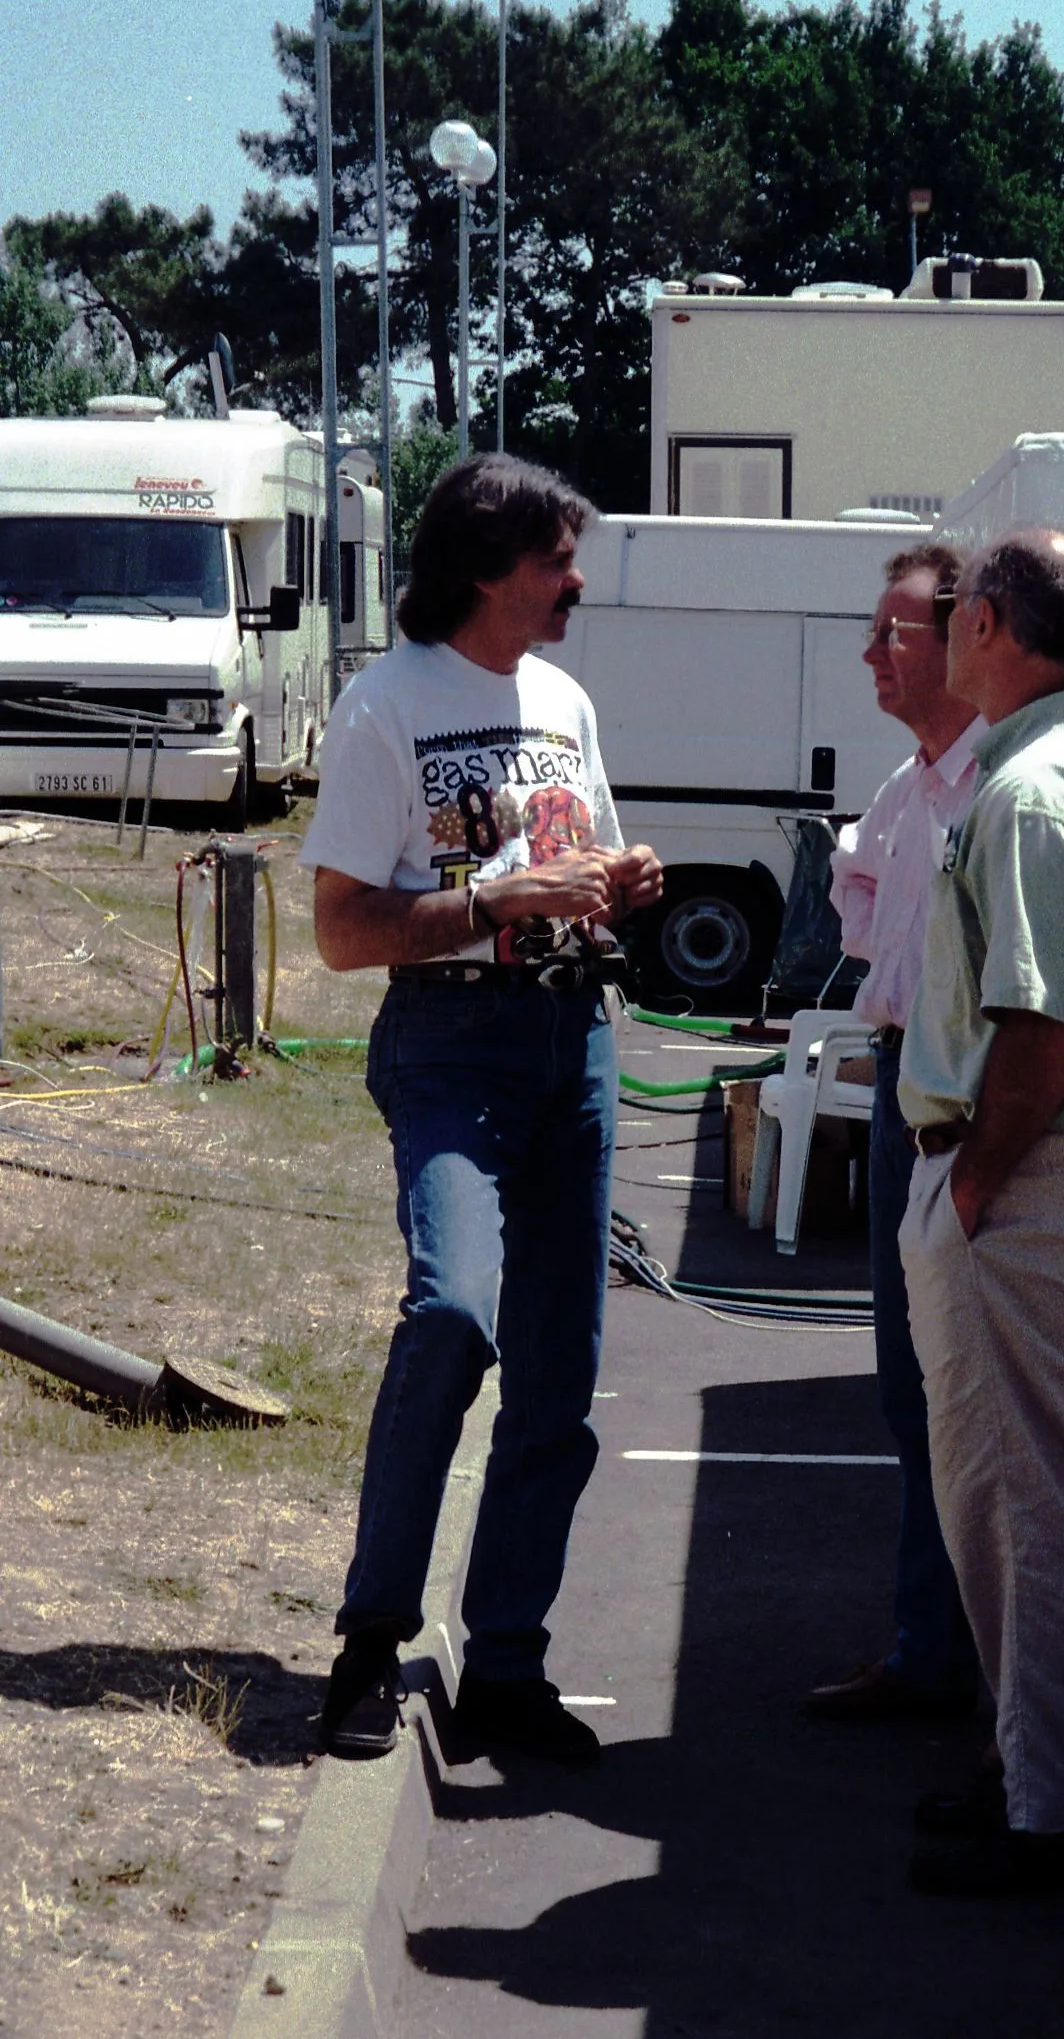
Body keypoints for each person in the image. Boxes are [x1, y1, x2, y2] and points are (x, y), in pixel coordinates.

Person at [300, 455, 662, 1764]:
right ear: (480, 570)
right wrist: (485, 908)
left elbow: (580, 869)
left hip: (571, 1049)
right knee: (454, 1314)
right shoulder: (384, 705)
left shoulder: (561, 697)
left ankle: (506, 1664)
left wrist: (618, 880)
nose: (574, 581)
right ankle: (368, 1639)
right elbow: (342, 934)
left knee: (557, 1373)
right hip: (449, 1047)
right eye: (554, 558)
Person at [895, 527, 1064, 1896]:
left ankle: (1051, 1814)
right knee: (1005, 1497)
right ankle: (1029, 1775)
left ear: (991, 622)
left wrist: (977, 1181)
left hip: (1018, 1175)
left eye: (951, 615)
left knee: (1030, 1508)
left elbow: (1040, 1024)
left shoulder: (1033, 790)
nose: (937, 635)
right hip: (1030, 1170)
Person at [806, 544, 983, 1721]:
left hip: (968, 1114)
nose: (873, 652)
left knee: (965, 1403)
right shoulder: (909, 785)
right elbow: (855, 900)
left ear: (965, 643)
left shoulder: (1001, 786)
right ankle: (933, 1647)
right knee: (907, 1394)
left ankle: (977, 1666)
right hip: (903, 1098)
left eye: (893, 633)